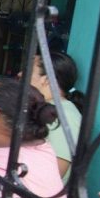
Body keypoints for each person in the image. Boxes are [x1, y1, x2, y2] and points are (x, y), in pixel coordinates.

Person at [28, 51, 83, 180]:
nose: (20, 74)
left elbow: (54, 173)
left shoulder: (64, 114)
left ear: (46, 80)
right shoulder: (47, 109)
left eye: (28, 70)